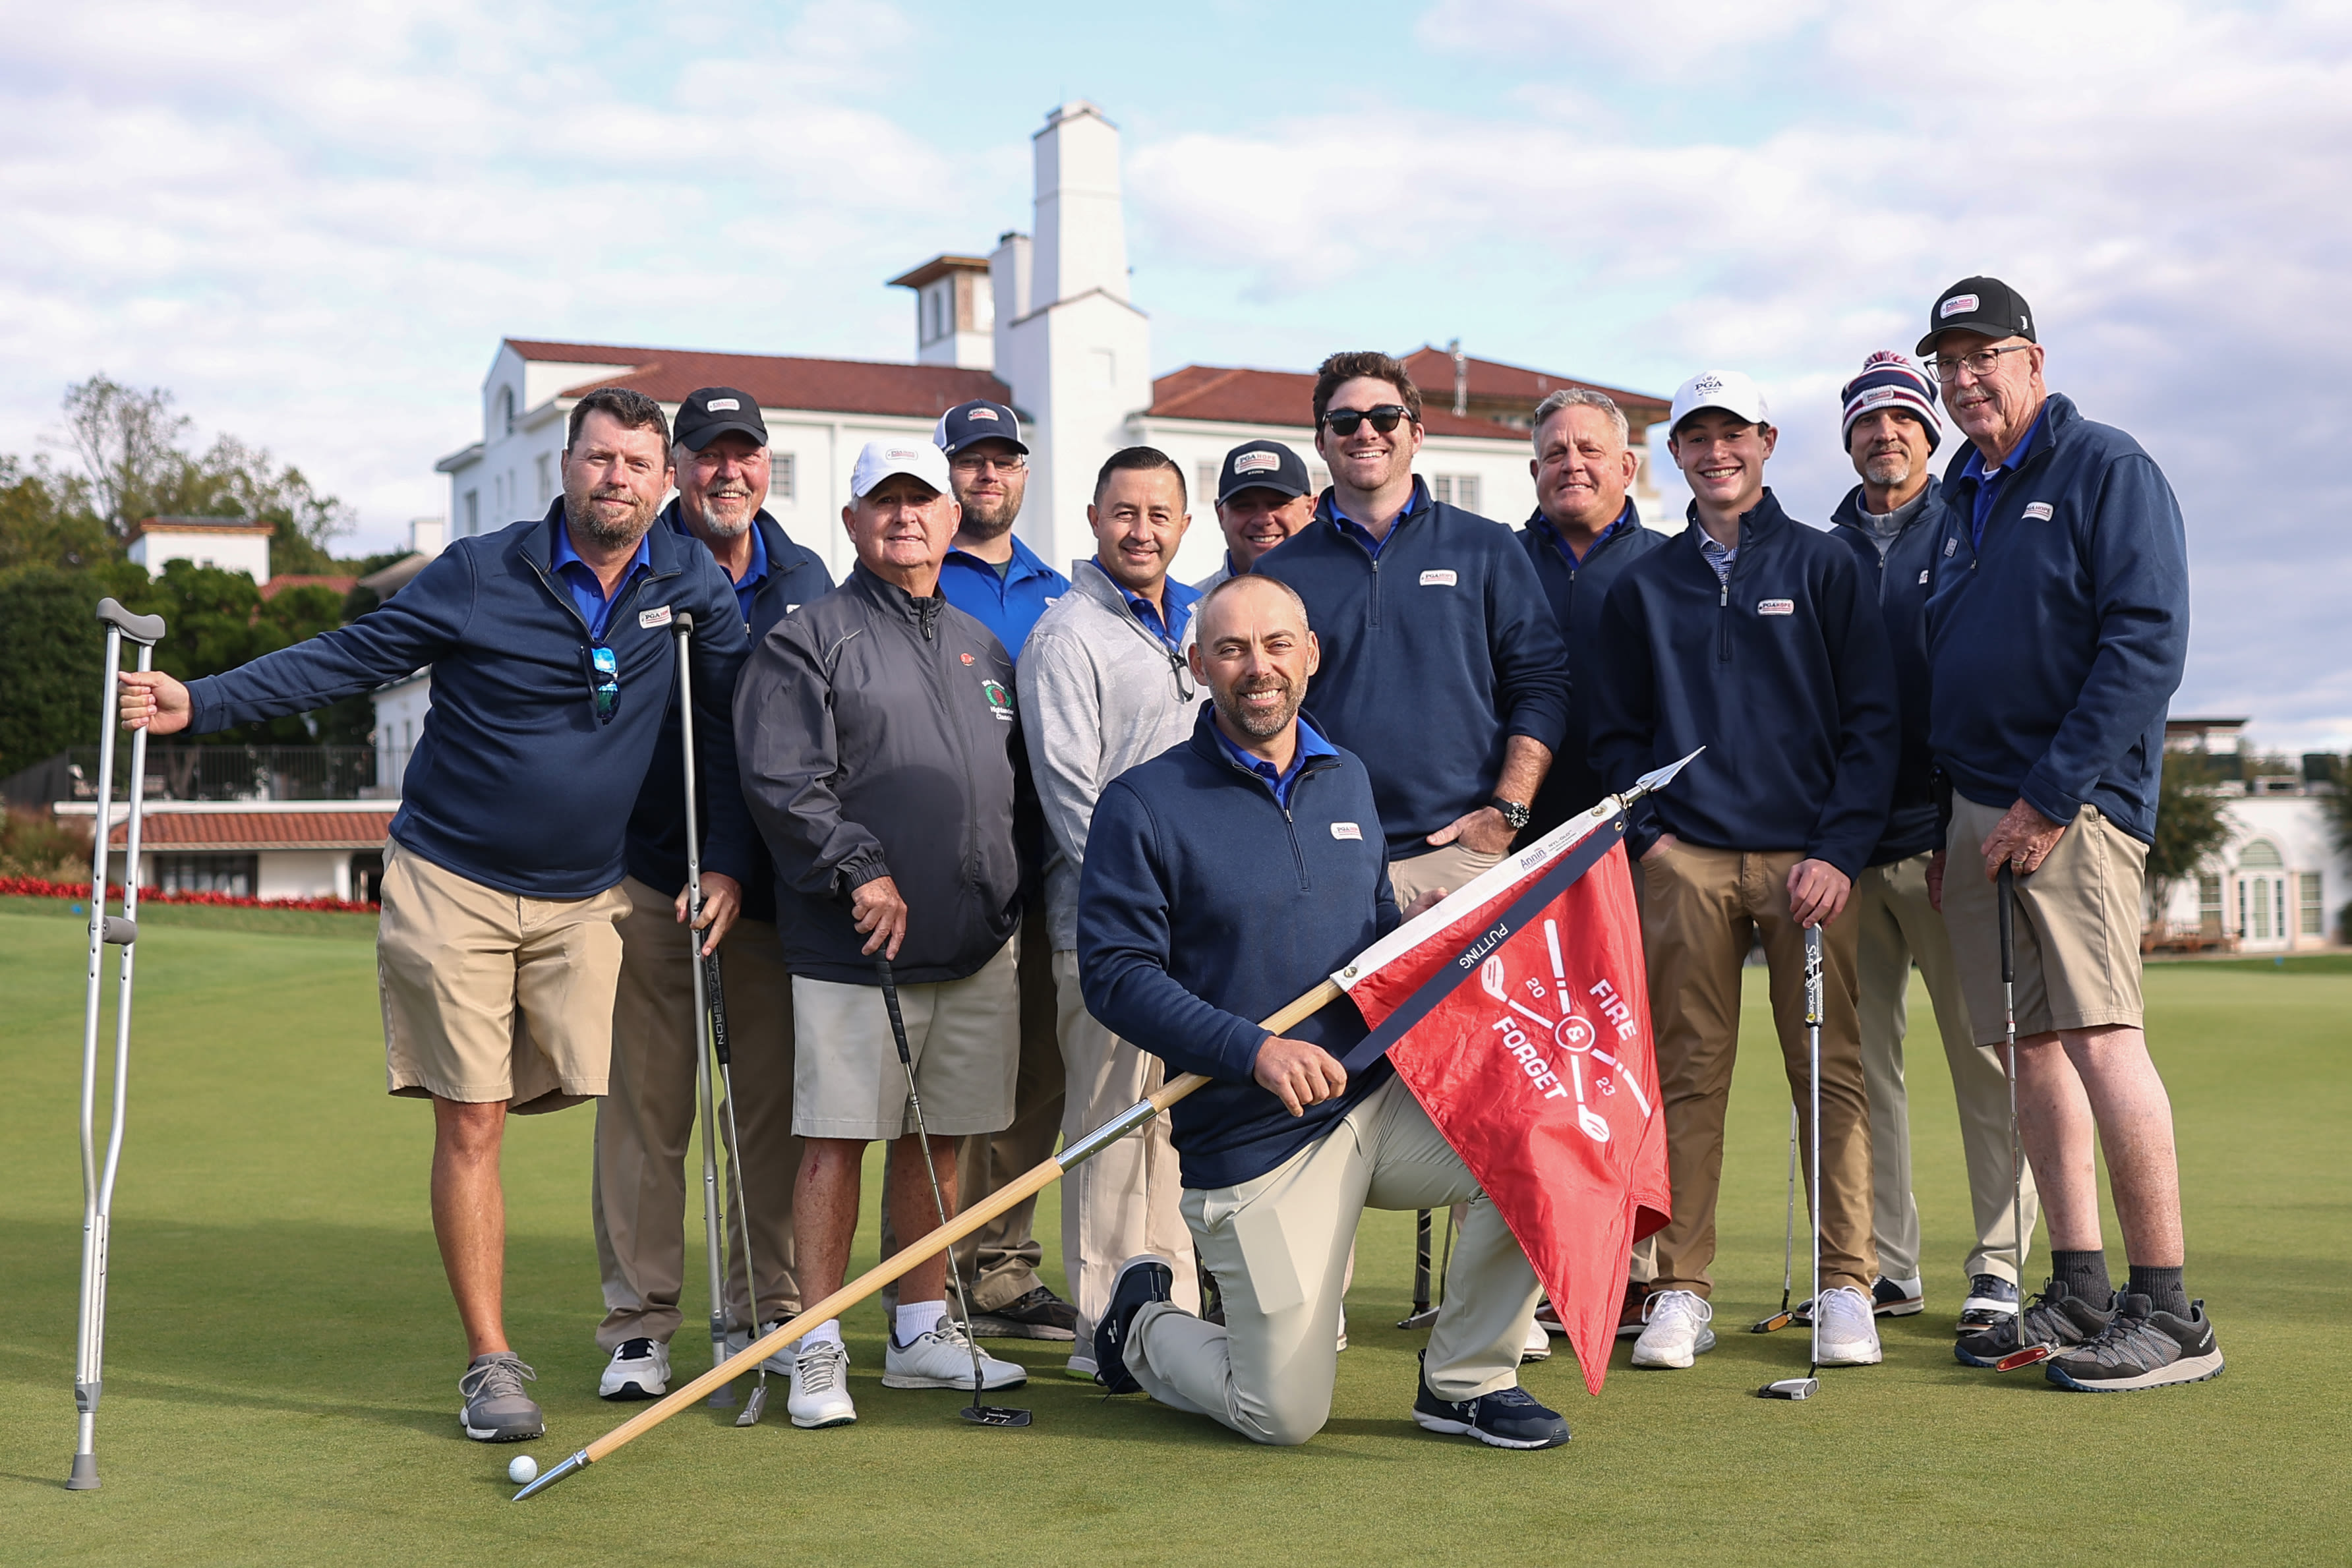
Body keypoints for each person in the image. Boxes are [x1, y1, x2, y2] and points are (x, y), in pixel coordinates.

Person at [117, 388, 751, 1443]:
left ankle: (652, 1306)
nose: (618, 481)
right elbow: (347, 655)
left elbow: (733, 717)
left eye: (639, 466)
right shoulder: (478, 571)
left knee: (577, 1082)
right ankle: (490, 1362)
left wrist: (726, 856)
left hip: (582, 892)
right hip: (450, 874)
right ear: (566, 465)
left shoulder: (685, 577)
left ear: (667, 478)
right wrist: (208, 700)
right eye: (600, 460)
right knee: (473, 1115)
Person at [1076, 572, 1570, 1451]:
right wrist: (1256, 1049)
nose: (1255, 667)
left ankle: (1466, 1378)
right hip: (1255, 1135)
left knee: (1545, 1134)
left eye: (1275, 645)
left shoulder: (1347, 779)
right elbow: (1116, 975)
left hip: (1375, 1100)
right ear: (1198, 664)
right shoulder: (1143, 803)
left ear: (1310, 656)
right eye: (1230, 648)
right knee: (1283, 1412)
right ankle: (1144, 1323)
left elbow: (1367, 937)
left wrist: (1411, 940)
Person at [1916, 277, 2221, 1390]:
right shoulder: (1965, 493)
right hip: (1979, 813)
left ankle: (2167, 1306)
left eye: (1981, 355)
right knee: (2027, 1046)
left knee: (2100, 1037)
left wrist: (2047, 796)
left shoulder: (2107, 469)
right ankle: (2081, 1282)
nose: (1962, 379)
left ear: (2032, 359)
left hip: (2068, 811)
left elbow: (2144, 642)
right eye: (1946, 361)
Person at [1591, 368, 1899, 1374]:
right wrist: (1655, 843)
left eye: (1733, 433)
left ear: (1766, 441)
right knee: (1687, 1075)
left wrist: (1839, 849)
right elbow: (1616, 731)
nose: (1716, 451)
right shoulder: (1646, 582)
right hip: (1688, 861)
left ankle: (1847, 1283)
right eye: (1696, 436)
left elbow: (1873, 723)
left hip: (1810, 864)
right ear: (1674, 452)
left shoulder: (1828, 563)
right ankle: (1681, 1284)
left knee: (1831, 1074)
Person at [734, 438, 1028, 1429]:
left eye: (922, 499)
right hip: (854, 945)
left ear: (952, 517)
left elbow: (1009, 790)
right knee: (837, 1138)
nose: (905, 515)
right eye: (884, 501)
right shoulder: (810, 635)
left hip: (975, 940)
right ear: (854, 522)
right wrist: (861, 865)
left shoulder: (983, 644)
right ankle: (817, 1341)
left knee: (941, 1133)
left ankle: (919, 1328)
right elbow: (785, 780)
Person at [593, 388, 835, 1401]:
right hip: (653, 869)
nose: (725, 473)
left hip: (766, 891)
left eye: (744, 454)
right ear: (676, 468)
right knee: (650, 1106)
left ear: (766, 465)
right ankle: (641, 1324)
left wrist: (740, 859)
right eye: (705, 456)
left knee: (768, 1109)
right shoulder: (636, 566)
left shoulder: (807, 578)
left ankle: (766, 1306)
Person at [1825, 353, 2040, 1335]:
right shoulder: (1818, 549)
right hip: (1846, 851)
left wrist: (1973, 815)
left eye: (1905, 417)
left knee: (1988, 1059)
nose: (1887, 434)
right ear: (1847, 438)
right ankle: (1879, 1263)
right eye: (1868, 420)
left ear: (1930, 430)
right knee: (1860, 1072)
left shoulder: (1969, 523)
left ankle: (1998, 1260)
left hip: (1950, 836)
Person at [1017, 446, 1210, 1376]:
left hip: (1195, 935)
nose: (1142, 530)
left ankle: (1168, 1326)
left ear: (1185, 522)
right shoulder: (1067, 634)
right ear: (1094, 518)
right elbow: (1070, 799)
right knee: (1108, 1132)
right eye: (1124, 512)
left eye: (1159, 513)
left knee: (1172, 1129)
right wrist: (1151, 901)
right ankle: (1103, 1333)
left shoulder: (1200, 623)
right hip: (1105, 933)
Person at [1253, 351, 1569, 908]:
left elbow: (1542, 684)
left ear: (1416, 434)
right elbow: (1260, 712)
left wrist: (1506, 813)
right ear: (1321, 442)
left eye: (1385, 417)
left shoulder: (1486, 546)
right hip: (1326, 860)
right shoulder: (1278, 574)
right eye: (1344, 421)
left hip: (1461, 857)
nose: (1365, 432)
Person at [1515, 385, 1668, 1342]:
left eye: (1590, 449)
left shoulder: (1667, 565)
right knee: (1525, 1064)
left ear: (1627, 467)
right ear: (1533, 471)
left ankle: (1634, 1269)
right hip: (1519, 849)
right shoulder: (1497, 557)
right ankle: (1521, 1273)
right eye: (1554, 451)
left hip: (1635, 850)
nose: (1572, 462)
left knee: (1622, 1065)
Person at [927, 398, 1080, 1344]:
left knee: (1040, 1074)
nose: (988, 475)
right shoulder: (918, 579)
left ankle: (1002, 1268)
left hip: (1047, 862)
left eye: (1005, 461)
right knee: (954, 1082)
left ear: (1025, 474)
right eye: (972, 460)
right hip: (948, 869)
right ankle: (932, 1272)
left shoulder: (1061, 593)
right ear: (948, 470)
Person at [1192, 439, 1317, 591]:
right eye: (1244, 506)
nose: (1263, 520)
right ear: (1221, 515)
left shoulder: (1341, 603)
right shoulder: (1191, 611)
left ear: (1310, 509)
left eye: (1278, 504)